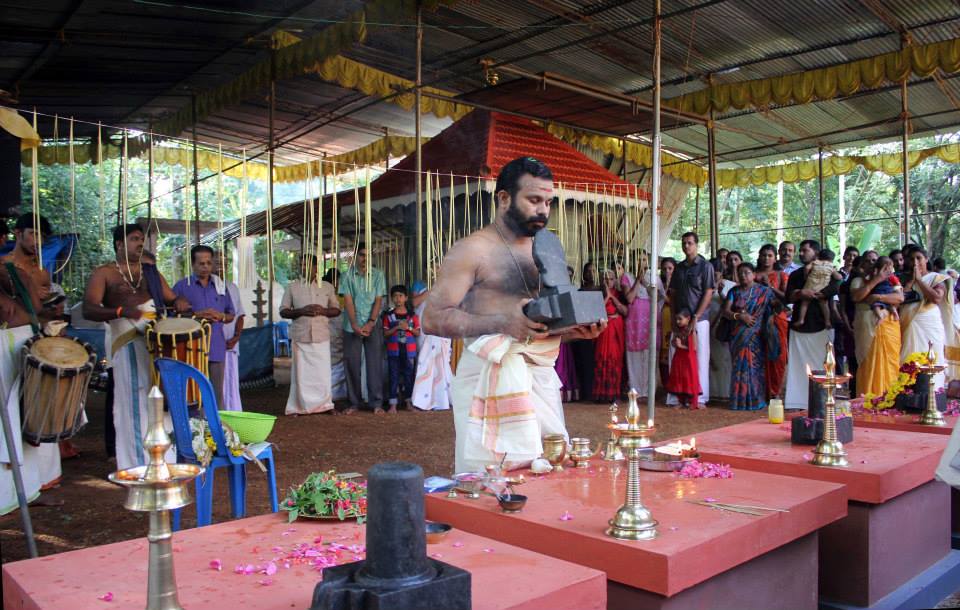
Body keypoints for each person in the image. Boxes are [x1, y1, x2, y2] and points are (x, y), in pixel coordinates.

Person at [422, 156, 604, 473]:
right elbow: (433, 318)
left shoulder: (547, 246)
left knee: (549, 466)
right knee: (487, 480)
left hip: (538, 373)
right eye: (534, 200)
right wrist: (503, 323)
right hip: (485, 374)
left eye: (548, 201)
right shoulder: (472, 249)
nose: (543, 210)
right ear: (504, 198)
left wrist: (575, 331)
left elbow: (539, 321)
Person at [83, 224, 189, 470]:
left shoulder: (150, 272)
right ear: (119, 244)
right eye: (134, 239)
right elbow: (89, 308)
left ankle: (165, 458)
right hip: (126, 339)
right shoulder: (105, 273)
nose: (140, 243)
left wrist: (181, 301)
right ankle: (136, 463)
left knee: (160, 398)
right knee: (133, 400)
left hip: (155, 339)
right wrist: (120, 310)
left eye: (142, 239)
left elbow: (173, 298)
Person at [0, 214, 61, 514]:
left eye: (42, 237)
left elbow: (41, 310)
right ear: (17, 233)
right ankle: (13, 486)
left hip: (32, 337)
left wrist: (53, 307)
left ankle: (37, 482)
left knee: (35, 409)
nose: (37, 242)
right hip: (8, 342)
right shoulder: (7, 267)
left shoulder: (39, 272)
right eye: (33, 234)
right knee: (11, 412)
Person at [173, 245, 235, 410]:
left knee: (216, 393)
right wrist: (197, 315)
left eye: (209, 263)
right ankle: (194, 430)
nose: (206, 267)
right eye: (201, 263)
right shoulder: (181, 287)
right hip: (190, 348)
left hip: (215, 346)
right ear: (193, 264)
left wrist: (220, 316)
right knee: (192, 391)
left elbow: (231, 314)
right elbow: (172, 317)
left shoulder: (220, 287)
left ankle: (217, 430)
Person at [280, 256, 341, 415]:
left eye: (307, 265)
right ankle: (298, 407)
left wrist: (323, 311)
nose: (304, 268)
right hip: (301, 335)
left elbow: (336, 309)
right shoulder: (292, 287)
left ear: (316, 268)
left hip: (321, 335)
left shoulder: (327, 287)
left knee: (323, 374)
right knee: (301, 374)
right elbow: (283, 310)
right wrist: (301, 311)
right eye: (301, 265)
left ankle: (326, 405)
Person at [784, 239, 841, 411]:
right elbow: (788, 297)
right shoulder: (796, 274)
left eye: (804, 251)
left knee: (823, 364)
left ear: (816, 253)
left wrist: (817, 294)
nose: (801, 254)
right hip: (799, 326)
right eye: (800, 251)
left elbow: (837, 286)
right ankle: (796, 402)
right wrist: (801, 292)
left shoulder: (830, 271)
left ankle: (823, 401)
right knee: (797, 365)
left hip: (823, 324)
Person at [721, 263, 778, 411]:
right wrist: (739, 316)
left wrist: (770, 318)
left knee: (754, 368)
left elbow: (778, 307)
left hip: (756, 336)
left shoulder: (764, 291)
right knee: (739, 367)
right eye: (740, 273)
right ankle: (738, 401)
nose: (743, 275)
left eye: (746, 272)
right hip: (737, 335)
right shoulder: (734, 291)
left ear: (754, 274)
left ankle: (755, 400)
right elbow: (725, 311)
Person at [899, 247, 959, 388]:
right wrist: (911, 282)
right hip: (909, 324)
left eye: (919, 258)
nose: (915, 262)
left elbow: (936, 298)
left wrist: (919, 281)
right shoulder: (903, 279)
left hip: (929, 324)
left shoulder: (936, 278)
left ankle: (933, 395)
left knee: (931, 358)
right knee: (908, 359)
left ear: (926, 259)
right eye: (911, 259)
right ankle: (908, 394)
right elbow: (900, 300)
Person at [667, 232, 714, 405]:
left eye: (690, 243)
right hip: (680, 320)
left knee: (699, 357)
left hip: (699, 319)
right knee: (679, 357)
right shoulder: (679, 268)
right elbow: (673, 294)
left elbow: (708, 291)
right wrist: (673, 317)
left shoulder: (705, 266)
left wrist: (697, 316)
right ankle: (679, 396)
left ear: (697, 245)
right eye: (684, 243)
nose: (686, 246)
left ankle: (699, 397)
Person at [339, 244, 387, 413]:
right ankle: (354, 403)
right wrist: (354, 325)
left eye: (368, 255)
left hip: (372, 324)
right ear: (355, 256)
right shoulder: (346, 276)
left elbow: (379, 301)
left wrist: (370, 322)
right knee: (351, 363)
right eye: (361, 255)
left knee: (375, 364)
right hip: (351, 325)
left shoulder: (378, 275)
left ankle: (376, 403)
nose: (365, 259)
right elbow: (348, 301)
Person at [850, 257, 903, 397]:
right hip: (867, 326)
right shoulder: (859, 281)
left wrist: (877, 297)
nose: (872, 263)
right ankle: (868, 399)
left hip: (889, 324)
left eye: (874, 260)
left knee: (890, 363)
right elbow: (857, 297)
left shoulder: (891, 280)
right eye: (869, 260)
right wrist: (876, 280)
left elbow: (900, 298)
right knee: (869, 363)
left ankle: (890, 398)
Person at [622, 256, 662, 400]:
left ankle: (649, 390)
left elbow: (659, 297)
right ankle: (636, 390)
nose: (641, 262)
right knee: (635, 356)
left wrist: (645, 281)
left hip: (651, 319)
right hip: (635, 321)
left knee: (650, 354)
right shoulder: (627, 276)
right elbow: (630, 298)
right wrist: (638, 280)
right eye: (638, 259)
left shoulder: (654, 278)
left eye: (644, 259)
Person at [411, 281, 454, 411]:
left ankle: (442, 398)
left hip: (441, 328)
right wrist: (431, 288)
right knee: (424, 362)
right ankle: (422, 398)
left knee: (442, 363)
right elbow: (414, 303)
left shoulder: (449, 283)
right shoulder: (419, 285)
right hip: (424, 328)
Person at [755, 244, 789, 399]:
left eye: (769, 255)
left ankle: (775, 392)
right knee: (758, 354)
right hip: (757, 318)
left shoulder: (781, 275)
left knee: (777, 355)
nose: (766, 258)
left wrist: (770, 287)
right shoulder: (753, 275)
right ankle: (760, 391)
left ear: (775, 258)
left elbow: (787, 297)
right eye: (763, 255)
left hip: (777, 317)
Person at [212, 251, 244, 411]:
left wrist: (236, 337)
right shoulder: (208, 288)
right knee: (216, 383)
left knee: (231, 380)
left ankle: (234, 412)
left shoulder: (232, 287)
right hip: (212, 345)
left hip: (231, 344)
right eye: (217, 263)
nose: (220, 267)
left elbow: (240, 315)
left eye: (224, 263)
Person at [382, 285, 420, 413]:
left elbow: (417, 333)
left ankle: (408, 402)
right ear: (392, 298)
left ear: (406, 298)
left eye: (400, 296)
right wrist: (397, 328)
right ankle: (393, 404)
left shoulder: (412, 316)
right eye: (395, 296)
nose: (398, 299)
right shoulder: (388, 316)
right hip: (394, 351)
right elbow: (385, 333)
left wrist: (408, 328)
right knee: (393, 376)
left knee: (409, 376)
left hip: (409, 351)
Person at [594, 268, 628, 402]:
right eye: (606, 279)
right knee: (602, 356)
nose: (609, 281)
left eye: (611, 279)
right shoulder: (598, 294)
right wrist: (606, 296)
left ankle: (615, 393)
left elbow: (625, 311)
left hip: (616, 327)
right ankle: (601, 393)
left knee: (616, 358)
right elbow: (595, 312)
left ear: (616, 280)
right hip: (604, 327)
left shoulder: (620, 293)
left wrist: (612, 297)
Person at [570, 261, 600, 400]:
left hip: (600, 330)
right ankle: (585, 392)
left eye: (593, 271)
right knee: (583, 361)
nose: (591, 273)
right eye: (588, 271)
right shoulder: (580, 291)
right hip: (583, 330)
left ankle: (596, 391)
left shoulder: (601, 289)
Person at [791, 248, 841, 330]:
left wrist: (806, 276)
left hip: (811, 285)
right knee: (824, 305)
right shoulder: (831, 266)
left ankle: (801, 319)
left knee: (805, 303)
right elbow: (838, 277)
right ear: (832, 259)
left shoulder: (815, 262)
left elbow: (807, 268)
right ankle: (827, 321)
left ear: (818, 256)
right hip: (822, 287)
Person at [666, 309, 701, 409]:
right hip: (679, 358)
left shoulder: (691, 331)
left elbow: (694, 348)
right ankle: (681, 401)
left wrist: (680, 346)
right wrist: (674, 342)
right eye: (677, 319)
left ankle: (690, 401)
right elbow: (674, 343)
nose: (678, 322)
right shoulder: (678, 331)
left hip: (688, 359)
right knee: (679, 378)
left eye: (680, 319)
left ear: (688, 319)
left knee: (688, 378)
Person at [556, 267, 580, 402]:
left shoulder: (574, 289)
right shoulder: (555, 289)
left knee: (567, 363)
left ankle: (567, 393)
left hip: (568, 328)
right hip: (558, 327)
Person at [658, 257, 676, 386]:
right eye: (664, 269)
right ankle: (666, 386)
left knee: (673, 355)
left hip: (672, 321)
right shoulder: (658, 284)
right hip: (660, 322)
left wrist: (669, 286)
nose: (667, 271)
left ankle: (673, 387)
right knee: (662, 357)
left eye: (670, 268)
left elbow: (672, 302)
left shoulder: (678, 285)